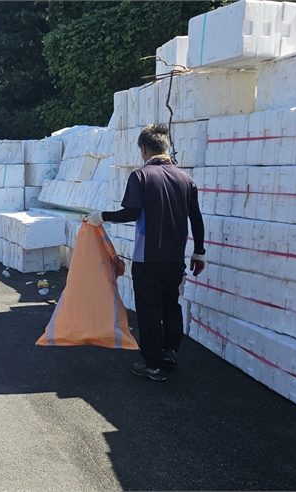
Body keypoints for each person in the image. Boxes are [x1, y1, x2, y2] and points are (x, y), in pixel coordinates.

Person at [84, 124, 206, 382]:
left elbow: (131, 213)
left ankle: (153, 364)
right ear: (166, 147)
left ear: (143, 149)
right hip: (175, 258)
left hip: (147, 258)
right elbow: (196, 218)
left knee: (149, 310)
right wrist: (199, 252)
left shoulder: (140, 176)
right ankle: (170, 352)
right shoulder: (186, 179)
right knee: (171, 304)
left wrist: (101, 216)